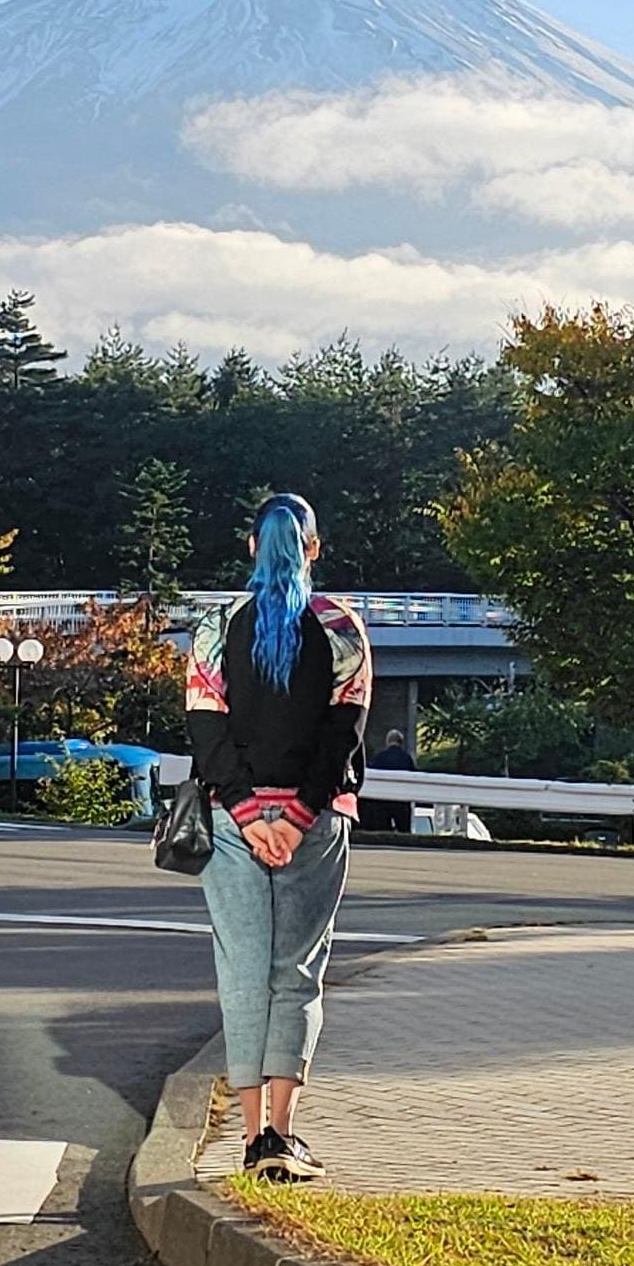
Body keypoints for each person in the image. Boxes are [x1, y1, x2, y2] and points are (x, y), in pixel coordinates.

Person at [184, 496, 371, 1181]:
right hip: (315, 824)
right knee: (296, 974)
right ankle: (283, 1138)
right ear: (313, 549)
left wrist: (245, 811)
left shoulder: (216, 626)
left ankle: (248, 1133)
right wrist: (296, 817)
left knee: (242, 974)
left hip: (232, 825)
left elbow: (206, 728)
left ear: (250, 548)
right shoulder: (342, 627)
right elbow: (343, 733)